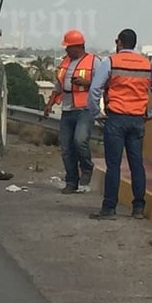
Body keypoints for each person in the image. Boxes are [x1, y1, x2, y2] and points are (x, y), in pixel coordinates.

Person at [87, 28, 152, 220]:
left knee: (113, 165)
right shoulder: (147, 64)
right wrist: (150, 113)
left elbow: (94, 91)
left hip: (115, 118)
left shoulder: (111, 62)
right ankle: (138, 208)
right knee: (136, 164)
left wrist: (96, 113)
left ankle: (109, 208)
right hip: (137, 119)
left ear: (120, 43)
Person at [44, 29, 97, 194]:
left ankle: (87, 168)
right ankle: (71, 181)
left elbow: (103, 83)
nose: (66, 50)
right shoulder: (64, 63)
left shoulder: (94, 62)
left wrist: (86, 82)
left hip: (84, 109)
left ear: (78, 47)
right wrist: (50, 103)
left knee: (80, 141)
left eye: (68, 47)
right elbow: (58, 86)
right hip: (67, 110)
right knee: (67, 148)